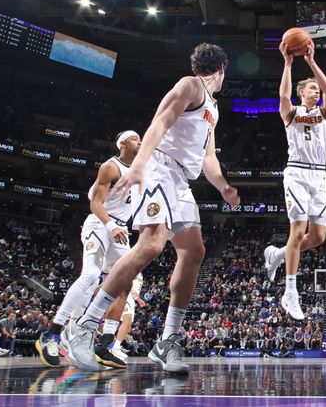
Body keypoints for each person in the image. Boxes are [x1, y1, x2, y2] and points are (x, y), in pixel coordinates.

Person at [68, 43, 240, 374]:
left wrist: (223, 186)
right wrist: (138, 167)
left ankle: (167, 342)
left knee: (194, 251)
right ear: (221, 69)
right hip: (160, 168)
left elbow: (208, 157)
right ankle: (85, 326)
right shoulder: (191, 85)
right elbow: (159, 124)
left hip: (181, 181)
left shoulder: (213, 108)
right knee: (151, 244)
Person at [36, 130, 141, 369]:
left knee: (126, 282)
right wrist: (111, 224)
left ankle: (105, 344)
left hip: (121, 230)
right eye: (135, 138)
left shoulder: (140, 170)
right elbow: (95, 202)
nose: (140, 141)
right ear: (122, 143)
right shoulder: (110, 167)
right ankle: (52, 334)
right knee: (91, 275)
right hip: (102, 224)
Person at [264, 44, 326, 320]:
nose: (316, 91)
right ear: (301, 93)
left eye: (317, 89)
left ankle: (277, 255)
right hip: (296, 172)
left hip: (319, 174)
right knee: (298, 230)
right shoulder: (292, 114)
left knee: (317, 237)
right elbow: (282, 95)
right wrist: (288, 63)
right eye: (311, 89)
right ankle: (290, 292)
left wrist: (313, 62)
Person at [111, 273, 146, 362]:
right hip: (127, 296)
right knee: (126, 321)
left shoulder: (139, 271)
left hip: (131, 298)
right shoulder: (134, 267)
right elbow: (126, 282)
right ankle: (115, 347)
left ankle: (114, 346)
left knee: (127, 325)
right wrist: (139, 299)